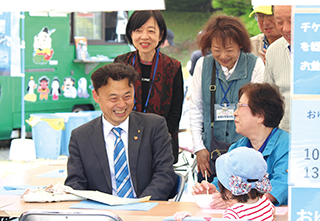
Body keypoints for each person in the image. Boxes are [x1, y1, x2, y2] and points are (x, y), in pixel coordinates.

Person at [65, 63, 177, 200]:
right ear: (96, 96)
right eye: (113, 99)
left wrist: (140, 207)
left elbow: (165, 175)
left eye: (127, 97)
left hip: (147, 209)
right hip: (103, 214)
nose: (122, 105)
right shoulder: (81, 136)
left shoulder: (154, 126)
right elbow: (75, 184)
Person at [189, 14, 265, 183]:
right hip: (210, 151)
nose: (223, 56)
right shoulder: (203, 65)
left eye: (229, 50)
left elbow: (258, 112)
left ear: (240, 44)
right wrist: (199, 148)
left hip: (245, 150)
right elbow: (196, 108)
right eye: (216, 50)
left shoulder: (255, 65)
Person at [192, 83, 289, 208]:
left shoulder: (287, 146)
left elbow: (280, 186)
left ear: (260, 115)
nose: (235, 113)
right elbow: (223, 181)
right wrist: (213, 191)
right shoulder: (238, 147)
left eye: (240, 106)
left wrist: (240, 201)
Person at [114, 10, 183, 164]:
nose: (144, 36)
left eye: (151, 31)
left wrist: (162, 137)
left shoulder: (173, 67)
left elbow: (175, 111)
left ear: (160, 35)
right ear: (131, 34)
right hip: (126, 142)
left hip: (162, 144)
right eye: (138, 30)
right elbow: (114, 103)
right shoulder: (121, 63)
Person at [174, 147, 275, 221]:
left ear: (227, 188)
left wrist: (189, 218)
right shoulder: (265, 203)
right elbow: (272, 211)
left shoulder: (233, 214)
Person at [264, 5, 292, 133]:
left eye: (292, 21)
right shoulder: (273, 51)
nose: (286, 29)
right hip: (286, 135)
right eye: (279, 22)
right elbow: (269, 100)